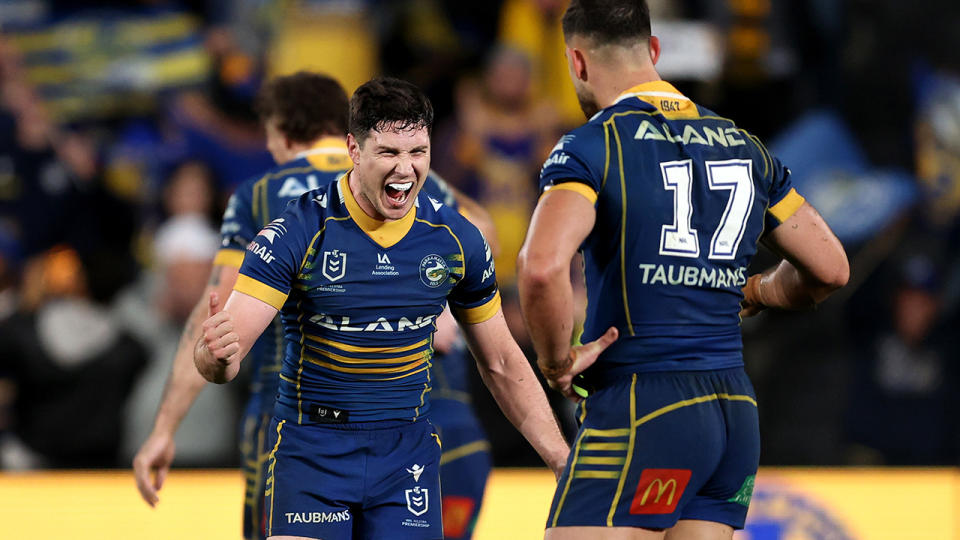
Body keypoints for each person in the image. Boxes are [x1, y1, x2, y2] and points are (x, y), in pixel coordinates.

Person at [516, 2, 850, 539]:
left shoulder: (592, 146)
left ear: (576, 63)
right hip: (733, 414)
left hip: (642, 404)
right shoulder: (746, 147)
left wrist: (557, 361)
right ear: (653, 51)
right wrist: (759, 290)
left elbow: (540, 266)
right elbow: (831, 268)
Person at [193, 76, 576, 540]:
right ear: (354, 149)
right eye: (389, 153)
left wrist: (560, 458)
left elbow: (500, 361)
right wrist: (213, 356)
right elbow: (225, 355)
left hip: (406, 457)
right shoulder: (297, 231)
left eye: (418, 152)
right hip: (314, 452)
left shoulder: (455, 238)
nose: (405, 170)